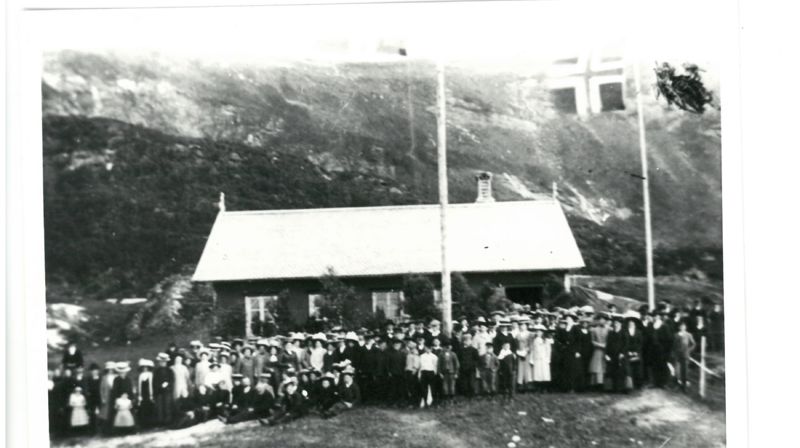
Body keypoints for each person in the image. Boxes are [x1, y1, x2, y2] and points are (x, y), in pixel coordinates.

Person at [673, 321, 697, 391]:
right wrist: (674, 352)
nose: (682, 327)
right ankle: (678, 385)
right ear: (679, 327)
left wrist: (689, 350)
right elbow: (674, 345)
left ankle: (684, 387)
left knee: (685, 370)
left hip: (685, 355)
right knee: (677, 371)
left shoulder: (688, 335)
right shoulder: (676, 335)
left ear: (685, 327)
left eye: (684, 326)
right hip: (677, 355)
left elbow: (693, 344)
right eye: (681, 326)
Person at [588, 314, 609, 389]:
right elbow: (592, 341)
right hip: (597, 350)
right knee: (596, 366)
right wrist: (600, 345)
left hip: (607, 350)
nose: (602, 321)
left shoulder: (608, 329)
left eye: (603, 320)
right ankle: (596, 384)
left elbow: (611, 340)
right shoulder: (594, 329)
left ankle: (604, 384)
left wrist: (606, 345)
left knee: (604, 366)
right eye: (600, 319)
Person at [153, 353, 174, 425]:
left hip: (167, 391)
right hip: (159, 392)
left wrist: (167, 384)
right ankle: (161, 422)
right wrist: (159, 386)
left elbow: (172, 379)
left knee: (167, 406)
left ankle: (168, 421)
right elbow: (154, 381)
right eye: (161, 362)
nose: (163, 363)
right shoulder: (156, 371)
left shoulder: (169, 370)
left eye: (164, 362)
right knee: (160, 407)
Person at [458, 333, 480, 397]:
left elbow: (477, 359)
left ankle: (472, 393)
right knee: (464, 382)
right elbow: (459, 358)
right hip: (463, 368)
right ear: (463, 341)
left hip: (471, 368)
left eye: (468, 340)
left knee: (471, 382)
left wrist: (474, 365)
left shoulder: (474, 350)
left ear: (471, 341)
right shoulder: (461, 350)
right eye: (465, 340)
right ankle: (465, 393)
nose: (467, 342)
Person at [530, 325, 552, 392]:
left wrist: (548, 358)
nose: (539, 333)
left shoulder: (546, 340)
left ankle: (544, 388)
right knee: (537, 373)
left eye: (540, 332)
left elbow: (548, 350)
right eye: (537, 332)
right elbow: (532, 350)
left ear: (543, 333)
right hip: (537, 358)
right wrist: (531, 358)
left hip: (544, 358)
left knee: (544, 373)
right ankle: (538, 388)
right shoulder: (534, 340)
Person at [136, 359, 157, 428]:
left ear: (148, 368)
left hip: (149, 394)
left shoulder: (150, 375)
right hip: (143, 394)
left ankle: (151, 424)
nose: (145, 368)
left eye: (146, 367)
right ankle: (144, 424)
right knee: (143, 409)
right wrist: (139, 395)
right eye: (143, 367)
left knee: (150, 408)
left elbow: (152, 385)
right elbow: (139, 386)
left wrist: (152, 395)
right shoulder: (141, 375)